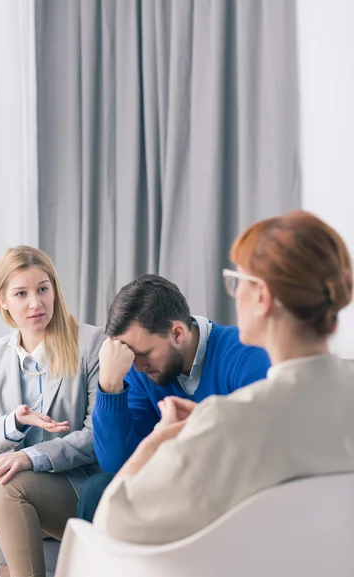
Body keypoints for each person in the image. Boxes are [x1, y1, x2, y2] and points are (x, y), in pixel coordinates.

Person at [93, 209, 354, 544]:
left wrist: (163, 438)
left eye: (236, 280)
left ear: (262, 297)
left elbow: (115, 519)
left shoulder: (231, 419)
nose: (234, 295)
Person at [0, 246, 105, 577]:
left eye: (43, 289)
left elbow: (96, 435)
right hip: (16, 484)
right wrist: (14, 423)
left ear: (54, 290)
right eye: (21, 293)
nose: (35, 303)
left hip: (74, 485)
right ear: (2, 301)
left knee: (7, 486)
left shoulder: (90, 343)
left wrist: (30, 456)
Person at [77, 274, 271, 521]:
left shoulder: (245, 354)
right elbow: (117, 465)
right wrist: (109, 384)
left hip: (229, 492)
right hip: (172, 485)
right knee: (98, 489)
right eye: (129, 356)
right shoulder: (141, 372)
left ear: (178, 333)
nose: (137, 367)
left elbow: (258, 452)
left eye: (144, 353)